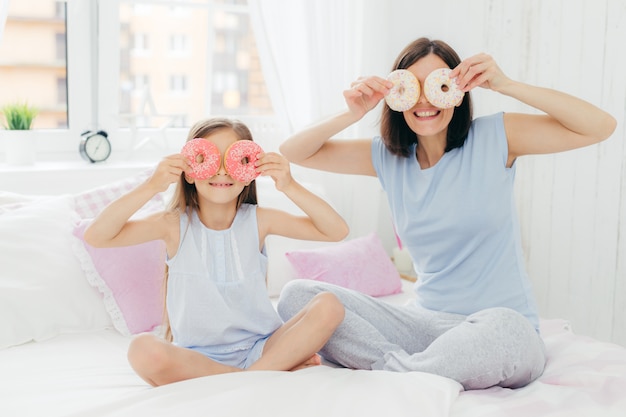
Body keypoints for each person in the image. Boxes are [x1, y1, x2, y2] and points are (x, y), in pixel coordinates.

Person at [277, 37, 617, 390]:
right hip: (422, 327)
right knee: (298, 296)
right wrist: (353, 112)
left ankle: (392, 371)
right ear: (396, 96)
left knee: (506, 329)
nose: (424, 100)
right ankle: (409, 371)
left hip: (496, 327)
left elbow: (600, 126)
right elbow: (295, 152)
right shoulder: (387, 157)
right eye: (412, 87)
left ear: (458, 90)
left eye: (436, 85)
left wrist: (505, 84)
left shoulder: (496, 136)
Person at [84, 117, 349, 387]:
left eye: (233, 160)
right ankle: (260, 374)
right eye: (208, 158)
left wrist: (289, 184)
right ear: (188, 170)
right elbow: (96, 236)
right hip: (196, 357)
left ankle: (254, 372)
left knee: (329, 305)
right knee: (142, 349)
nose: (222, 171)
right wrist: (152, 185)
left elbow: (335, 231)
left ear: (251, 170)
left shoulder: (260, 220)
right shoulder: (173, 224)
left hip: (261, 347)